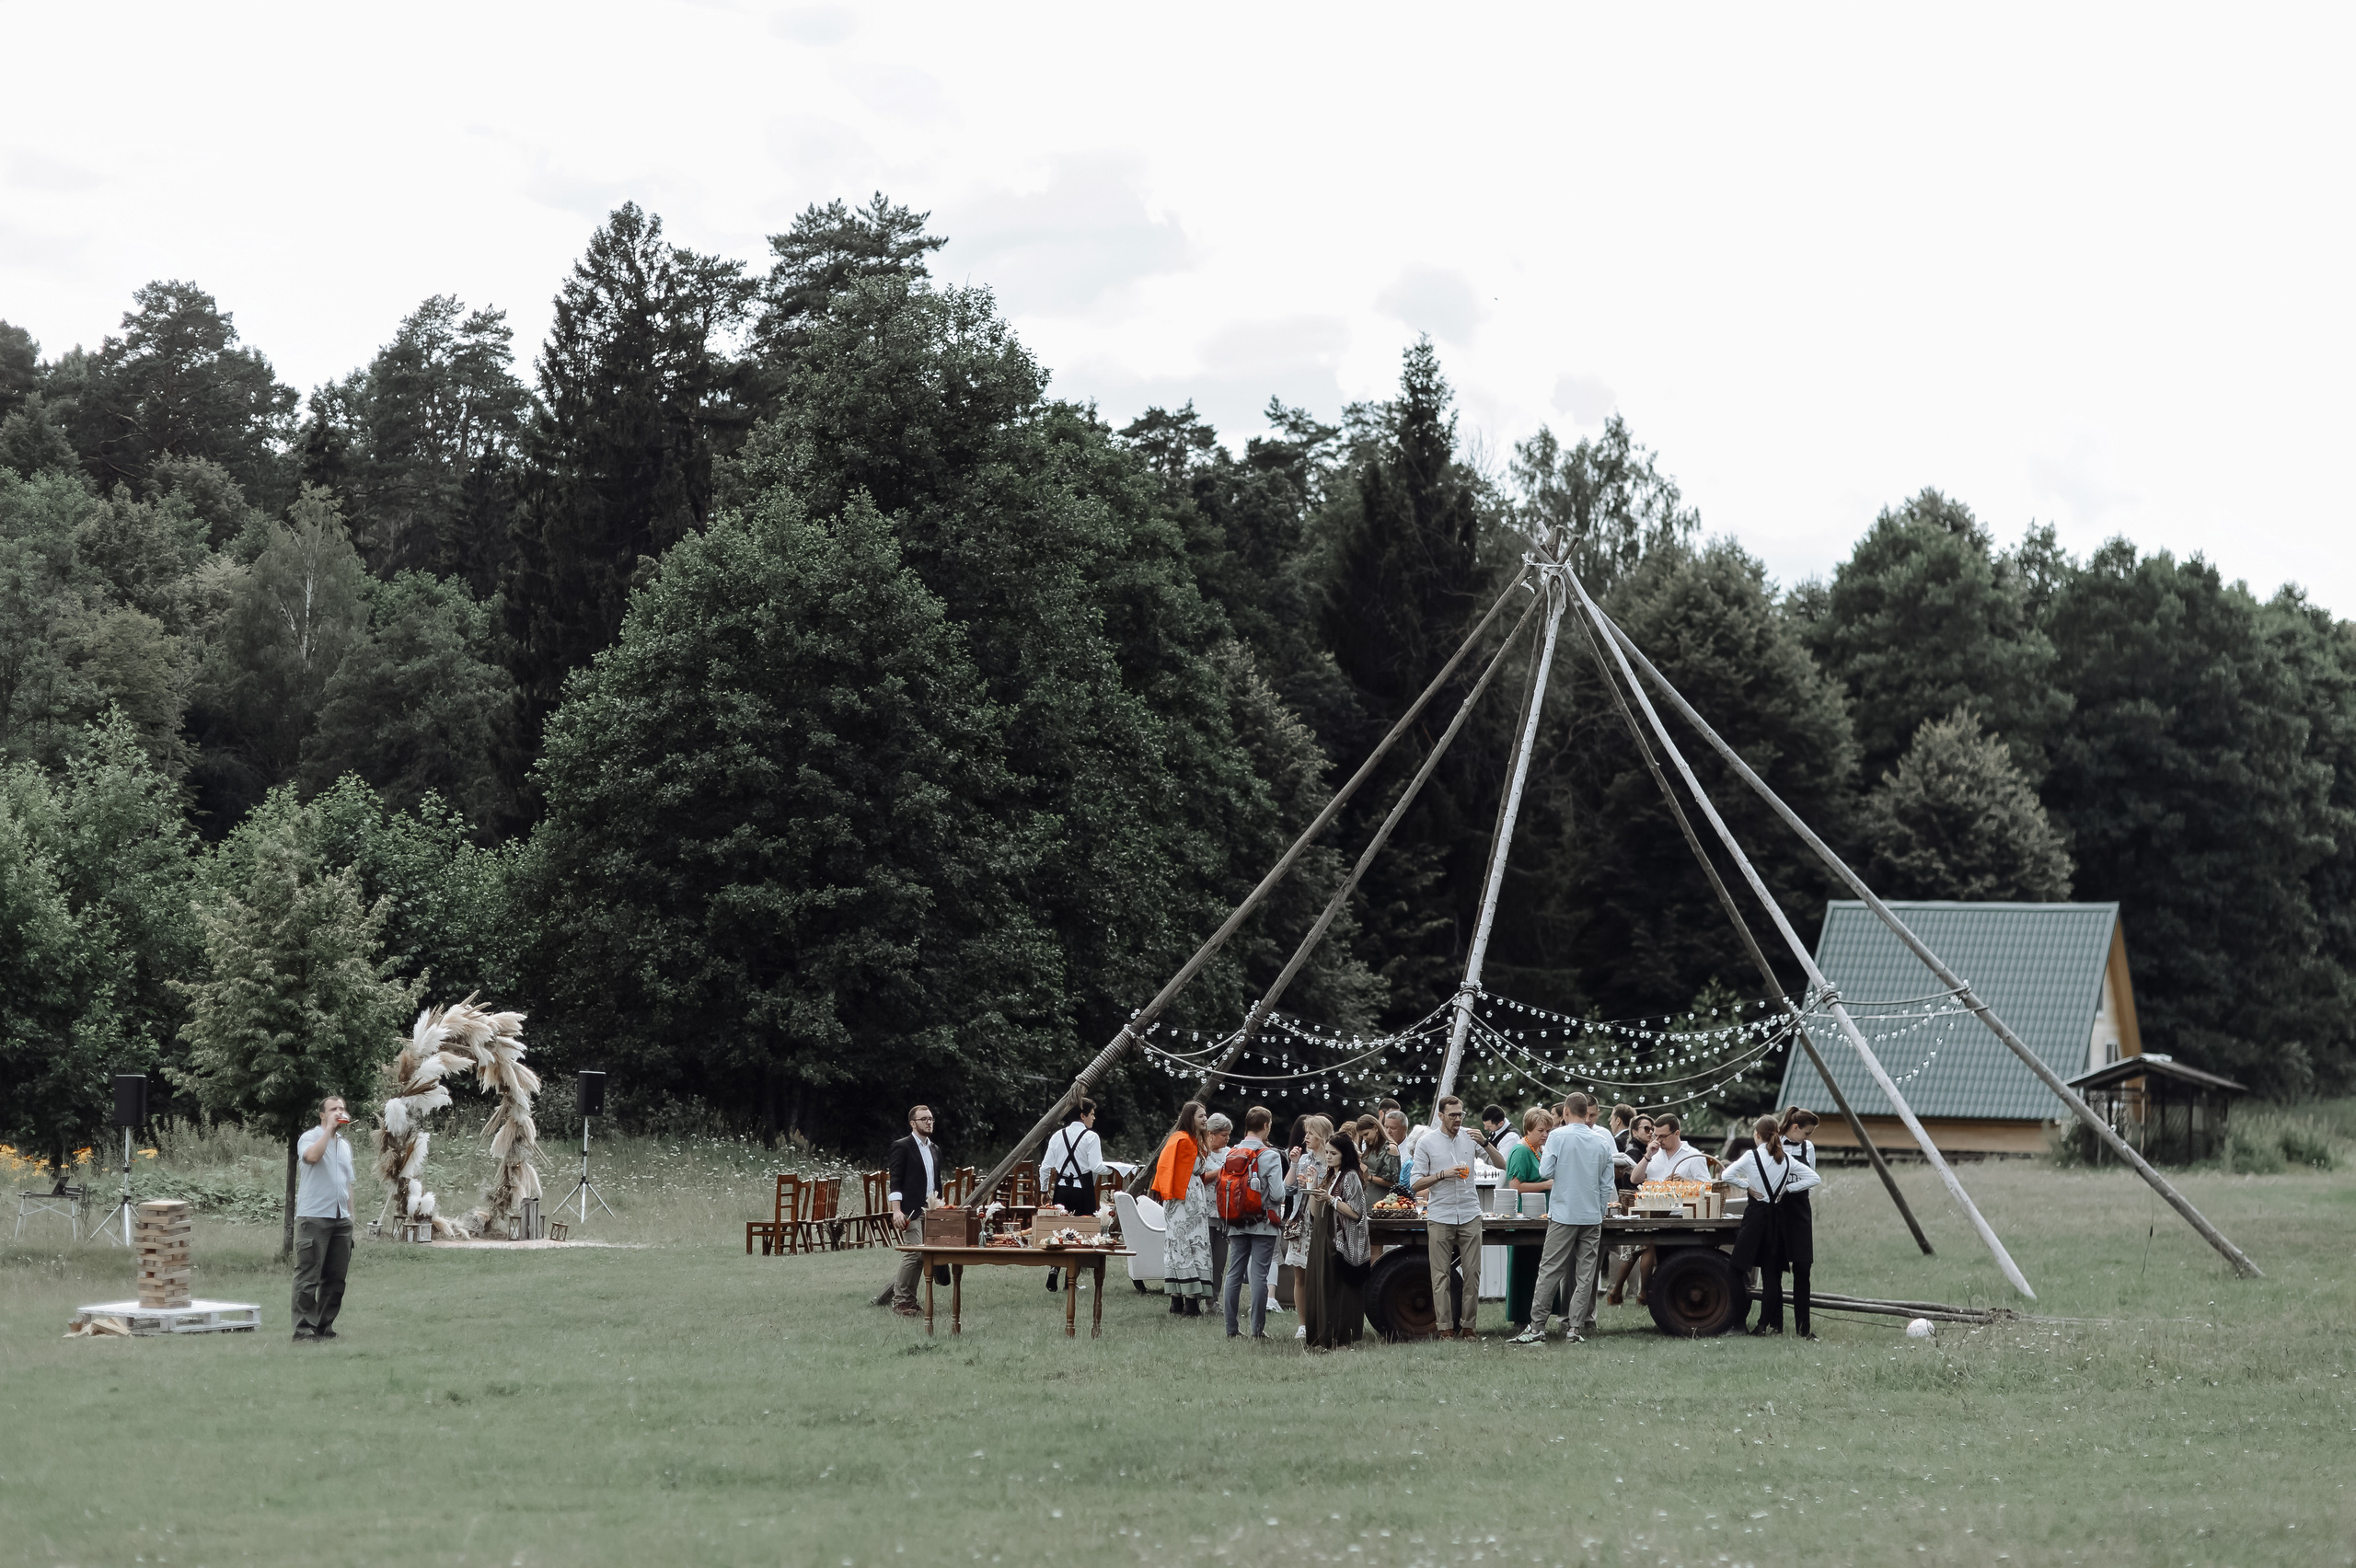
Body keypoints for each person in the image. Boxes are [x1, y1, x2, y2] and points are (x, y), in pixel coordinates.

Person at [1514, 1092, 1617, 1346]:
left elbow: (1544, 1171)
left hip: (1563, 1213)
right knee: (1586, 1275)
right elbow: (1607, 1184)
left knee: (1549, 1270)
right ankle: (1575, 1328)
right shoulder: (1602, 1140)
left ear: (1567, 1112)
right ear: (1586, 1112)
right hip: (1592, 1215)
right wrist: (1600, 1209)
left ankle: (1537, 1327)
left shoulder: (1558, 1137)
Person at [1726, 1113, 1822, 1338]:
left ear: (1757, 1135)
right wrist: (1785, 1189)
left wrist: (1747, 1186)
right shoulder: (1784, 1158)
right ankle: (1768, 1324)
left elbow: (1727, 1173)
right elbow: (1814, 1178)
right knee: (1772, 1273)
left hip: (1769, 1215)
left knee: (1741, 1269)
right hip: (1777, 1216)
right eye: (1807, 1132)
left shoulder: (1754, 1156)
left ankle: (1747, 1323)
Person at [1412, 1095, 1484, 1339]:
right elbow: (1415, 1182)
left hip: (1469, 1211)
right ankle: (1445, 1328)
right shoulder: (1427, 1142)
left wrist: (1487, 1142)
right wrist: (1443, 1174)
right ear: (1440, 1116)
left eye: (1460, 1114)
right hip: (1441, 1212)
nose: (1457, 1118)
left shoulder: (1470, 1137)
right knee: (1440, 1274)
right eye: (1452, 1114)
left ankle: (1469, 1326)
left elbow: (1501, 1163)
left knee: (1472, 1272)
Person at [1218, 1106, 1288, 1340]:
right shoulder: (1270, 1155)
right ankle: (1257, 1330)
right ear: (1266, 1125)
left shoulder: (1232, 1152)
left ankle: (1231, 1329)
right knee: (1259, 1275)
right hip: (1264, 1223)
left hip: (1236, 1221)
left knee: (1233, 1273)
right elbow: (1278, 1194)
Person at [293, 1096, 355, 1342]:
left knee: (336, 1278)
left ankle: (324, 1327)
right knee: (308, 1276)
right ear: (322, 1115)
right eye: (333, 1109)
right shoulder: (309, 1138)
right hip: (315, 1217)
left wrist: (351, 1218)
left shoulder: (345, 1145)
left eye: (342, 1108)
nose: (339, 1112)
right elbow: (311, 1158)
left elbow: (348, 1184)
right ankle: (303, 1330)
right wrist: (328, 1130)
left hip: (341, 1219)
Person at [1303, 1129, 1369, 1349]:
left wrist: (1331, 1199)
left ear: (1344, 1154)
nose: (1328, 1157)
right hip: (1322, 1235)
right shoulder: (1330, 1175)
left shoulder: (1351, 1176)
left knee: (1337, 1288)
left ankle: (1340, 1336)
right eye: (1327, 1153)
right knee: (1320, 1286)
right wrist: (1313, 1186)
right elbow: (1314, 1211)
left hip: (1338, 1240)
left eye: (1333, 1153)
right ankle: (1322, 1335)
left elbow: (1356, 1212)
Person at [877, 1103, 943, 1317]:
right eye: (924, 1119)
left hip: (931, 1211)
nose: (929, 1122)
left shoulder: (935, 1149)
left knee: (925, 1256)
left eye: (931, 1119)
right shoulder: (902, 1146)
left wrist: (941, 1208)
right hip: (910, 1210)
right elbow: (895, 1179)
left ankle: (911, 1302)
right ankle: (901, 1302)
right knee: (914, 1252)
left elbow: (937, 1182)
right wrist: (896, 1210)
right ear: (913, 1123)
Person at [1040, 1098, 1109, 1293]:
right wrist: (1115, 1170)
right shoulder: (1091, 1137)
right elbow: (1096, 1167)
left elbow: (1045, 1167)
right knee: (1082, 1234)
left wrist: (1044, 1190)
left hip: (1062, 1189)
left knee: (1059, 1230)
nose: (1094, 1119)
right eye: (1092, 1114)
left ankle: (1054, 1269)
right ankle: (1070, 1281)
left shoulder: (1057, 1136)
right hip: (1083, 1190)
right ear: (1083, 1115)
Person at [1152, 1101, 1214, 1315]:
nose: (1205, 1119)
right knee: (1192, 1243)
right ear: (1190, 1118)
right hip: (1187, 1199)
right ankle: (1191, 1301)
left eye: (1206, 1116)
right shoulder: (1186, 1141)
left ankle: (1176, 1299)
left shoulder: (1176, 1138)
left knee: (1176, 1246)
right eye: (1200, 1116)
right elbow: (1194, 1169)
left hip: (1175, 1198)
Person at [1503, 1106, 1555, 1331]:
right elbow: (1515, 1186)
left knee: (1537, 1266)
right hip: (1524, 1217)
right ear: (1528, 1129)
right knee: (1523, 1266)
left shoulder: (1539, 1150)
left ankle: (1537, 1314)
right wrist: (1545, 1185)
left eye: (1547, 1131)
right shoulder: (1520, 1151)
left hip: (1541, 1217)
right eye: (1541, 1130)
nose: (1545, 1135)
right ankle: (1520, 1316)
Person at [1279, 1115, 1334, 1325]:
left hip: (1323, 1222)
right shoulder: (1305, 1159)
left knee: (1322, 1277)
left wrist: (1315, 1181)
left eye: (1311, 1133)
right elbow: (1289, 1189)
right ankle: (1302, 1324)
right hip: (1301, 1222)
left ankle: (1322, 1319)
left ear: (1321, 1135)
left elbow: (1332, 1191)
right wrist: (1294, 1165)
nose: (1306, 1137)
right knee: (1300, 1277)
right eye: (1306, 1132)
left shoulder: (1331, 1160)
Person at [1200, 1113, 1233, 1309]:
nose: (1227, 1139)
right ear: (1211, 1134)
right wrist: (1221, 1172)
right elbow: (1200, 1178)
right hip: (1203, 1211)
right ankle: (1196, 1298)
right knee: (1203, 1257)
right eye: (1223, 1135)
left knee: (1219, 1259)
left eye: (1228, 1135)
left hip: (1223, 1213)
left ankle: (1213, 1299)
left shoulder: (1229, 1153)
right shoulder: (1202, 1152)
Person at [1640, 1114, 1713, 1183]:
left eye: (1663, 1136)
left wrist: (1686, 1182)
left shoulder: (1694, 1156)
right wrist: (1647, 1156)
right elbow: (1634, 1179)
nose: (1659, 1140)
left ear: (1676, 1133)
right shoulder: (1654, 1153)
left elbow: (1707, 1185)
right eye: (1656, 1136)